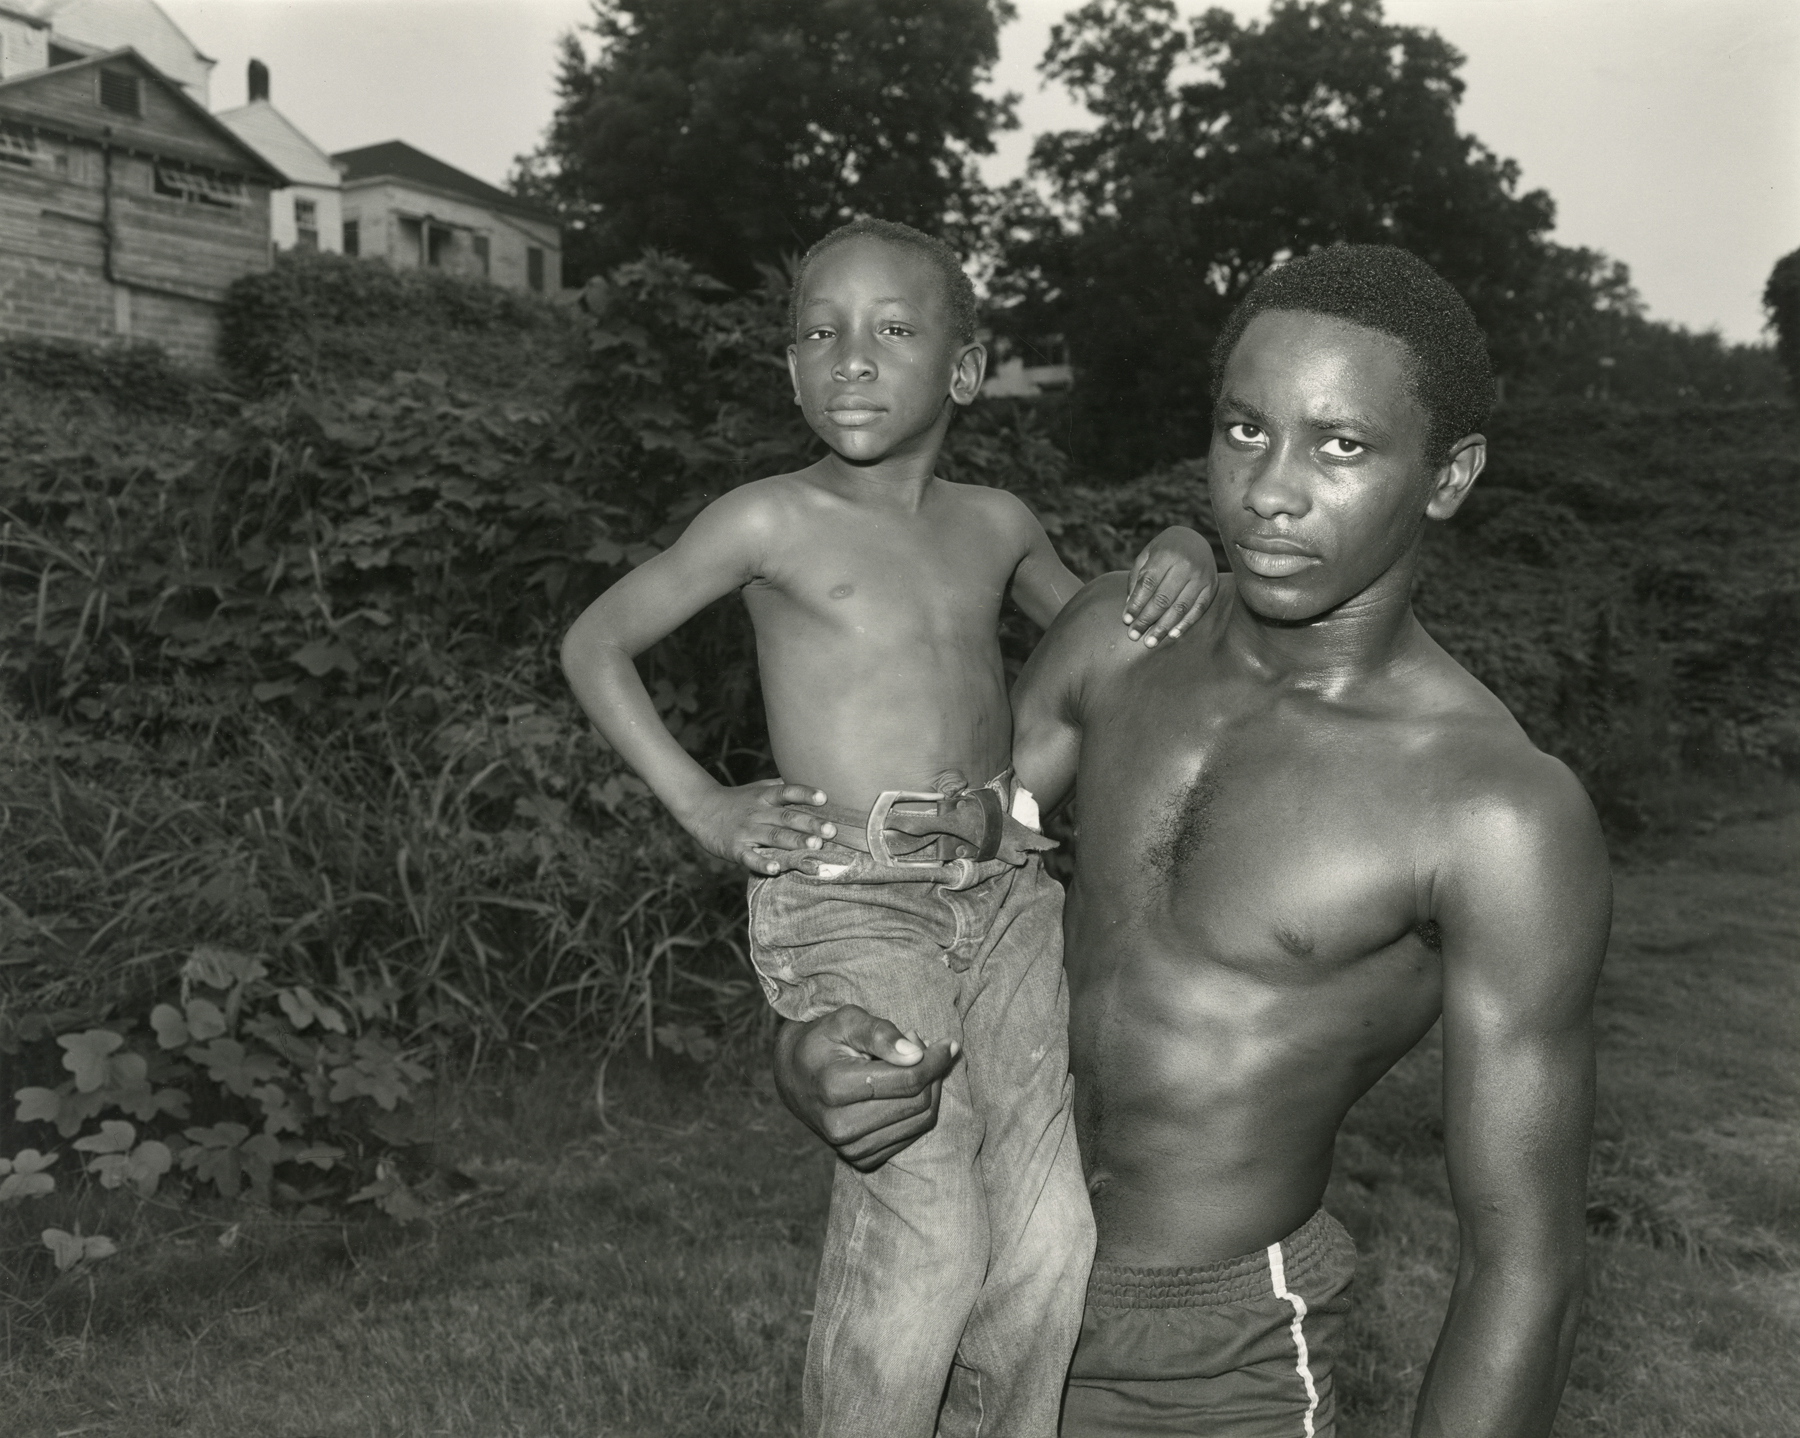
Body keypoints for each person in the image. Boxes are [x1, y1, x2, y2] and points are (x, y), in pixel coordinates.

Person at [776, 244, 1614, 1438]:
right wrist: (807, 1052)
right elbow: (923, 889)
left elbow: (1525, 1270)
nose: (1270, 491)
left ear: (1447, 475)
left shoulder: (1495, 812)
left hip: (1209, 1368)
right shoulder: (1114, 645)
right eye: (1242, 430)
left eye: (1341, 446)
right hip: (980, 1293)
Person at [560, 217, 1221, 1438]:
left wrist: (1177, 550)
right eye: (819, 333)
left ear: (964, 372)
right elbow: (595, 640)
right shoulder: (768, 520)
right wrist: (702, 801)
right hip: (850, 890)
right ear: (790, 370)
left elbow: (1103, 642)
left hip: (1007, 893)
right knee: (925, 1235)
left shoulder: (997, 522)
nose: (849, 357)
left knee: (1050, 1238)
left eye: (892, 330)